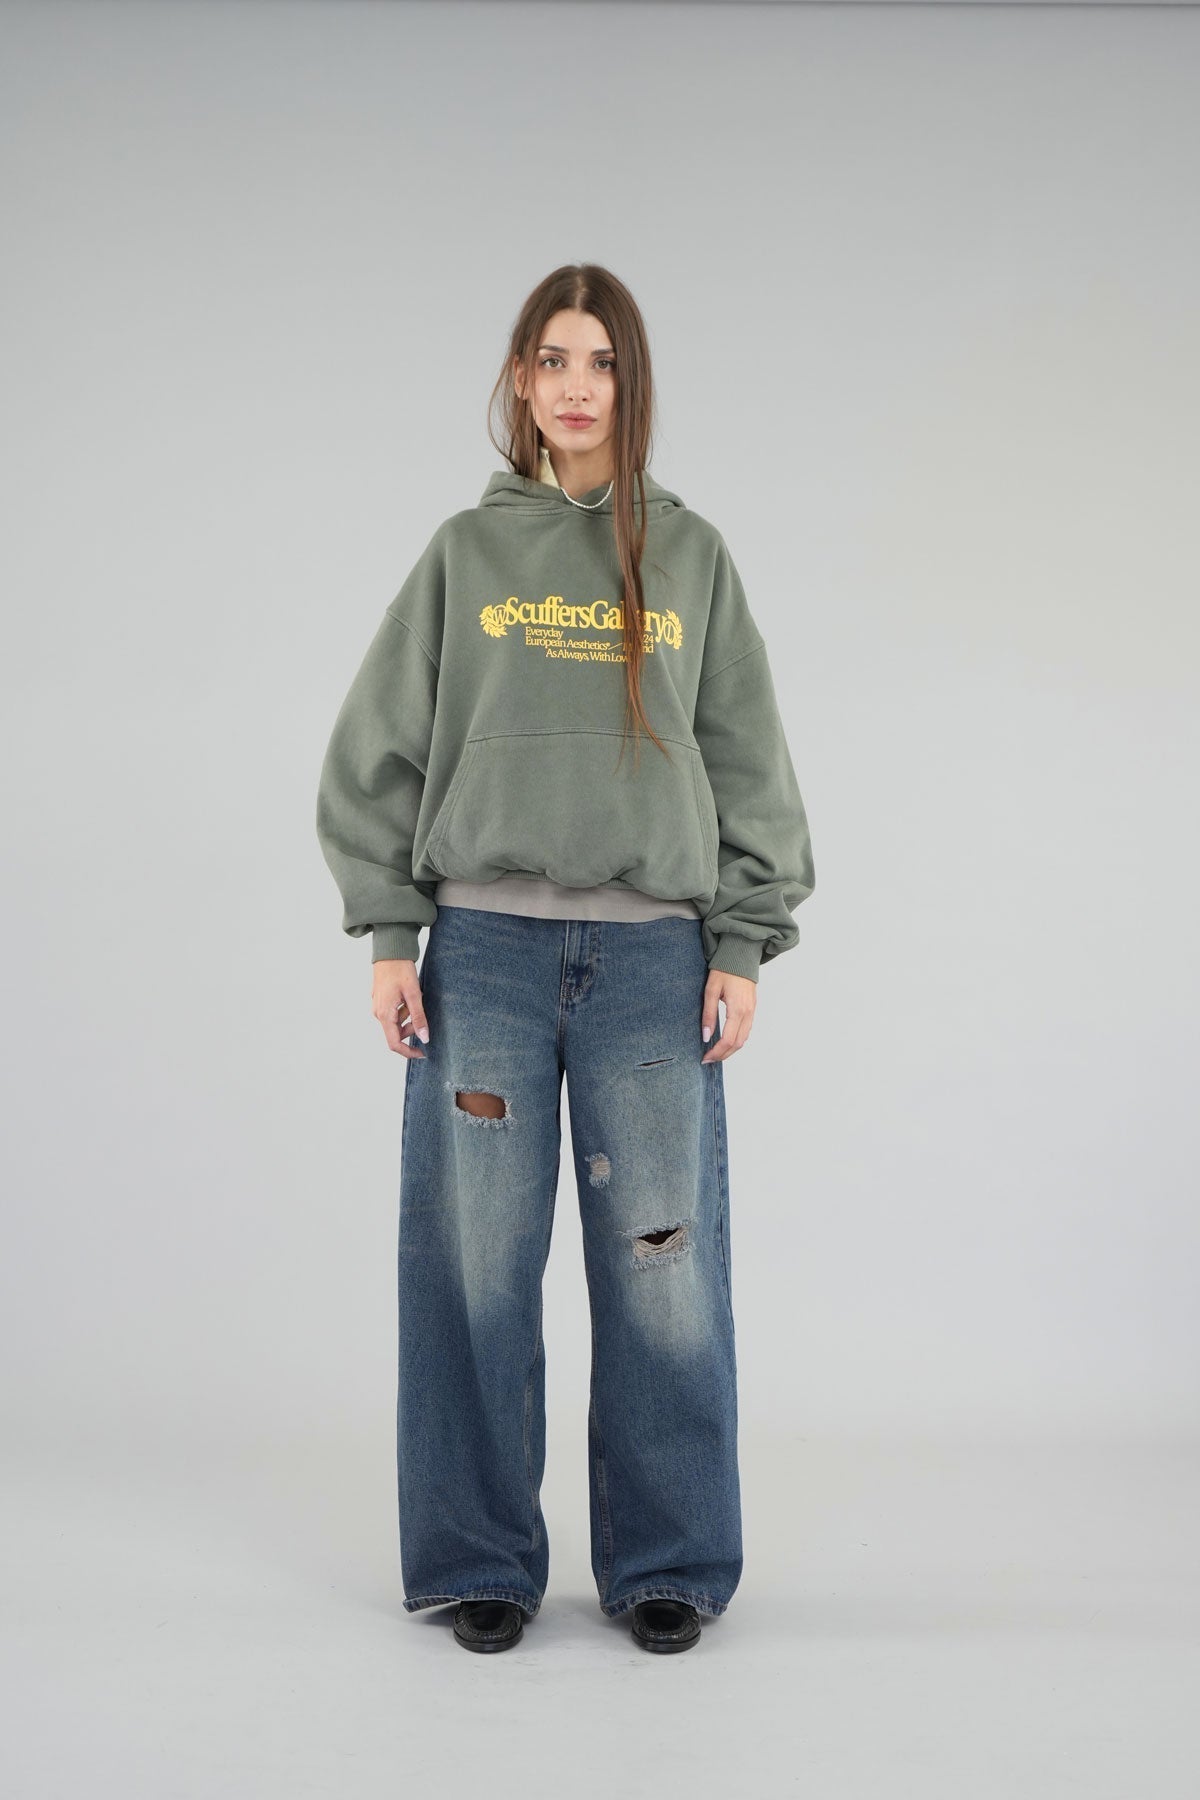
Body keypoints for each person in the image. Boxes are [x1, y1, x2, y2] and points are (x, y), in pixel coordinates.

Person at [315, 263, 815, 1656]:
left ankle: (668, 1561)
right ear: (521, 384)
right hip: (481, 953)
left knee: (663, 1264)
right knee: (474, 1261)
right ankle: (480, 1556)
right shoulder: (465, 557)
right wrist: (391, 931)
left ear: (629, 383)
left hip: (654, 960)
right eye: (552, 360)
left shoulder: (692, 556)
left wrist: (744, 941)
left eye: (600, 361)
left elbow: (747, 759)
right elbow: (376, 746)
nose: (576, 386)